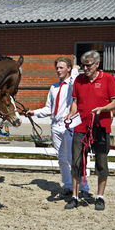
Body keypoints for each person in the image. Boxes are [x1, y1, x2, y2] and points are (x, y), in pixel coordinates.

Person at [26, 57, 90, 197]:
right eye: (57, 68)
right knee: (61, 157)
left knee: (74, 157)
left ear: (68, 68)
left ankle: (83, 187)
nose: (58, 70)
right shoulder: (54, 87)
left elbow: (75, 80)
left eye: (61, 67)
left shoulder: (74, 84)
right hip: (55, 124)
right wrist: (34, 112)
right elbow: (49, 108)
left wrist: (74, 70)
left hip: (70, 124)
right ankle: (67, 184)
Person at [64, 50, 115, 211]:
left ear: (97, 64)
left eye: (88, 65)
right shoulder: (79, 80)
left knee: (101, 163)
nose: (85, 69)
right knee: (76, 162)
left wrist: (102, 109)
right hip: (81, 127)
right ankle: (75, 196)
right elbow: (75, 101)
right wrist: (70, 113)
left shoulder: (108, 79)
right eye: (83, 66)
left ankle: (100, 197)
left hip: (100, 127)